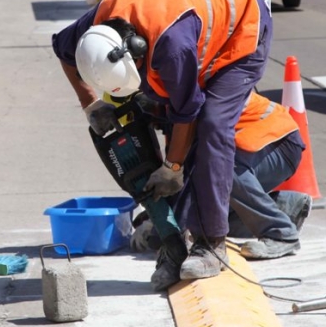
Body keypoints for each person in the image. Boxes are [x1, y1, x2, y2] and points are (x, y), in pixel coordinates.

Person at [52, 0, 272, 288]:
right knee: (159, 108)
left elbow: (188, 113)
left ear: (138, 51)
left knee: (212, 126)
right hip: (189, 20)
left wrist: (172, 167)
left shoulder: (174, 46)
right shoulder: (94, 30)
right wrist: (91, 104)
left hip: (243, 29)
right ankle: (175, 238)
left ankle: (211, 243)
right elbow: (63, 50)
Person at [130, 91, 312, 261]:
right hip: (254, 147)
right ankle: (287, 208)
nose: (155, 127)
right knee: (208, 218)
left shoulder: (189, 108)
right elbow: (182, 181)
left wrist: (166, 229)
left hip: (278, 143)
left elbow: (189, 182)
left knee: (220, 171)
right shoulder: (175, 119)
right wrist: (160, 215)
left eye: (153, 121)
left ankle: (281, 233)